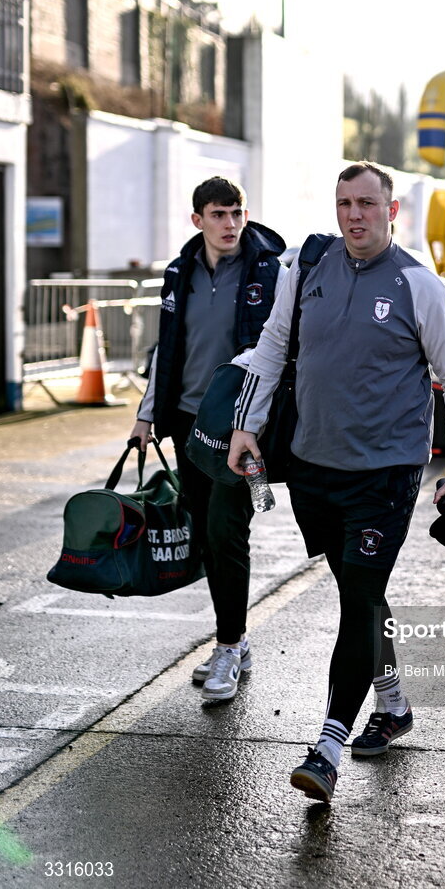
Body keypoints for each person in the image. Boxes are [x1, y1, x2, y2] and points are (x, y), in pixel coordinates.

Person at [227, 161, 445, 804]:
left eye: (367, 203)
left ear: (391, 211)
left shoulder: (419, 286)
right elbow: (271, 347)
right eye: (344, 203)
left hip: (386, 473)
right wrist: (245, 428)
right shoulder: (305, 271)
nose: (354, 215)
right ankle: (393, 704)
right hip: (313, 467)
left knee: (360, 598)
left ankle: (329, 747)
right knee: (357, 594)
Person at [130, 176, 286, 701]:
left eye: (236, 213)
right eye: (218, 214)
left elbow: (281, 349)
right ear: (197, 219)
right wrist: (146, 416)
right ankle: (234, 641)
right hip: (185, 423)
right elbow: (167, 349)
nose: (229, 224)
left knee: (226, 531)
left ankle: (228, 645)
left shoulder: (270, 269)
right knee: (204, 534)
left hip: (237, 429)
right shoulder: (180, 273)